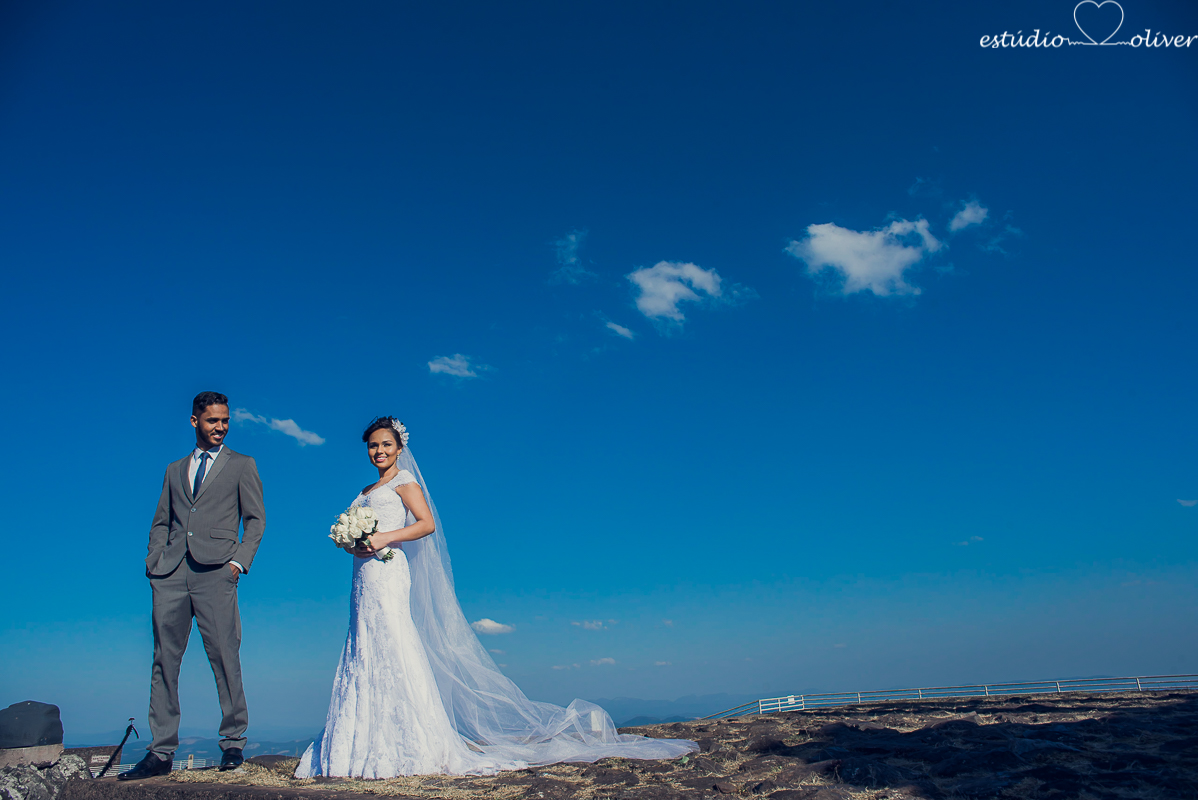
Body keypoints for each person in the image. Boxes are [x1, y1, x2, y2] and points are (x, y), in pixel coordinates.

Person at [296, 417, 696, 778]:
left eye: (386, 445)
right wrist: (353, 542)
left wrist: (383, 537)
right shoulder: (364, 491)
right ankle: (359, 744)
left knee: (393, 645)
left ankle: (408, 745)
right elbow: (355, 535)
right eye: (372, 445)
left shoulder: (404, 483)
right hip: (363, 579)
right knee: (362, 647)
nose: (379, 451)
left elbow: (426, 525)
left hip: (389, 573)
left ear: (399, 449)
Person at [119, 392, 266, 780]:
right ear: (194, 421)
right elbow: (162, 520)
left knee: (224, 656)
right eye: (213, 420)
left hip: (217, 571)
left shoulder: (242, 465)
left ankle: (233, 743)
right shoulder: (174, 469)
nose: (220, 427)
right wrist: (155, 562)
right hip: (169, 574)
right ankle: (160, 752)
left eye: (225, 421)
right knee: (164, 662)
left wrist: (238, 562)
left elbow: (255, 520)